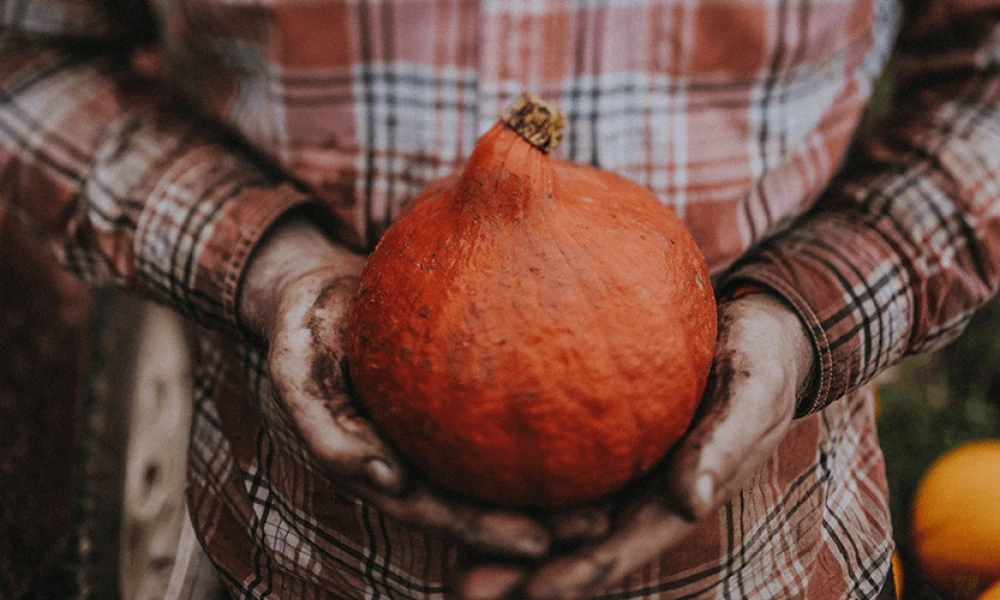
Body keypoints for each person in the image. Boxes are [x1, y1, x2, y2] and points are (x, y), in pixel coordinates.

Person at [2, 0, 999, 597]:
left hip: (768, 554)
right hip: (292, 552)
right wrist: (262, 263)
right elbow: (25, 53)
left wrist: (807, 315)